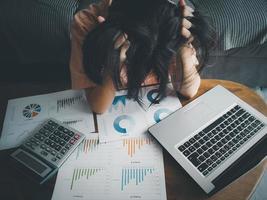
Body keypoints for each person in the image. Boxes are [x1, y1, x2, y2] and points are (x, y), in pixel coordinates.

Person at [70, 0, 213, 113]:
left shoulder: (170, 18)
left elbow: (189, 91)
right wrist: (113, 60)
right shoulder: (86, 23)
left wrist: (182, 47)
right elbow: (98, 106)